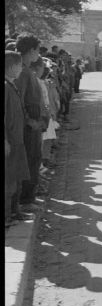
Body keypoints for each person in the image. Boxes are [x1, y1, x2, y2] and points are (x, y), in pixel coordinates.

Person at [15, 35, 48, 208]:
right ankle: (25, 200)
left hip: (34, 125)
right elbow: (18, 100)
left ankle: (28, 198)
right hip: (28, 127)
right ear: (31, 50)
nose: (38, 54)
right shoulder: (22, 71)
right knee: (30, 160)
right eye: (37, 50)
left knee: (34, 159)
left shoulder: (27, 69)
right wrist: (29, 120)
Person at [5, 51, 32, 226]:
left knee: (15, 179)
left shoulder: (11, 85)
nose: (22, 69)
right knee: (8, 182)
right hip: (9, 142)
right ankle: (7, 217)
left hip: (17, 140)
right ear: (12, 66)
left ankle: (14, 213)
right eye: (20, 65)